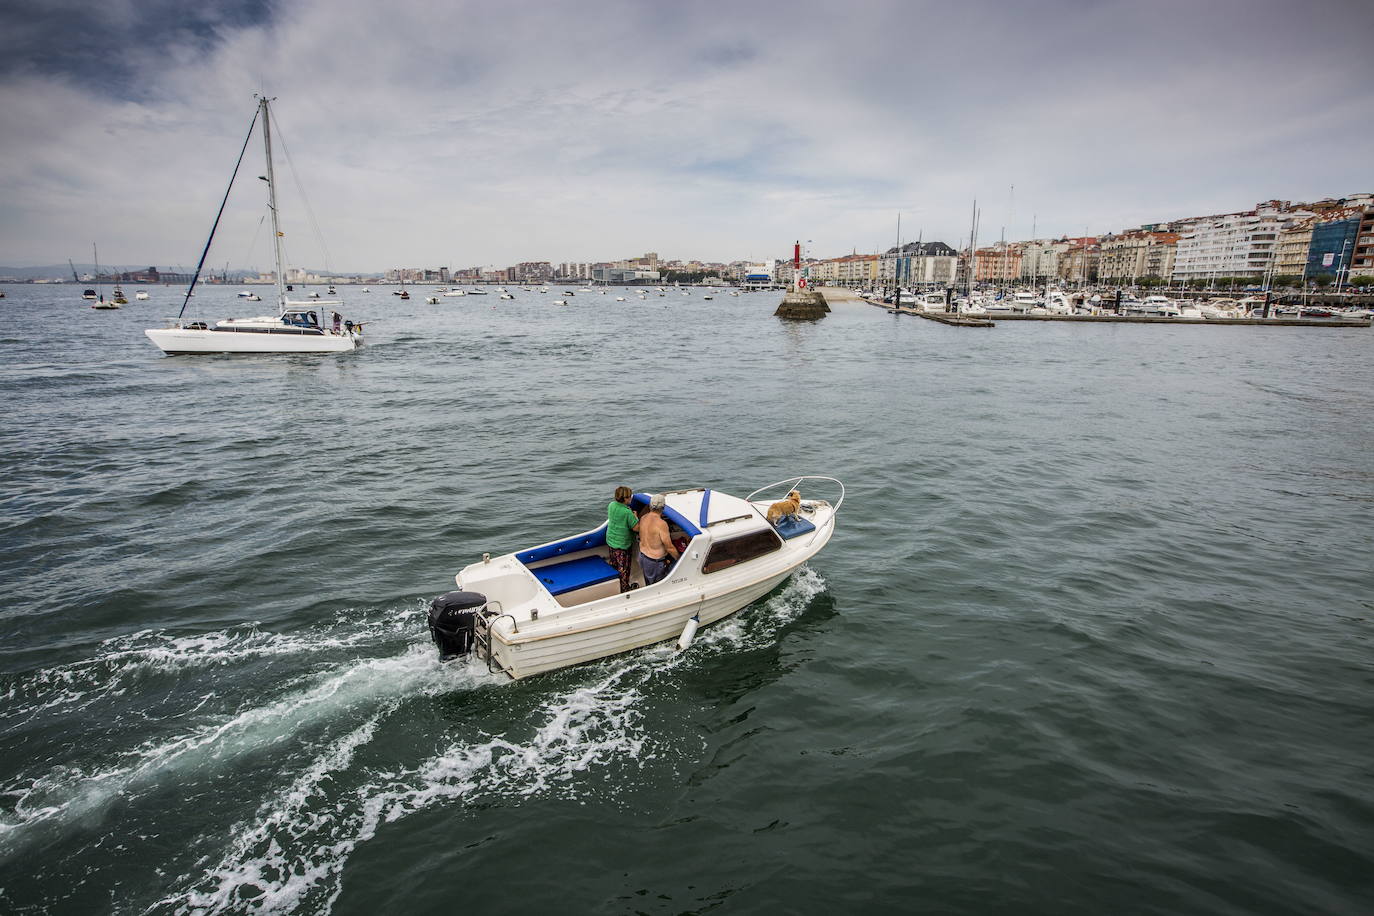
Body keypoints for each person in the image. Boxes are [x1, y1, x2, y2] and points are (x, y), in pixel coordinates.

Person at [637, 493, 680, 587]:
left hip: (642, 557)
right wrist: (679, 558)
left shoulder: (643, 518)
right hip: (654, 562)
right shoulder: (661, 524)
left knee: (648, 583)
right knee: (658, 587)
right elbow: (669, 547)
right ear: (663, 507)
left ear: (650, 506)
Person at [606, 485, 640, 592]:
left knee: (614, 565)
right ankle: (625, 590)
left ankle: (616, 586)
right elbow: (636, 528)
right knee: (624, 569)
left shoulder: (611, 505)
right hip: (622, 544)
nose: (631, 498)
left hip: (611, 540)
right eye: (629, 497)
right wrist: (635, 516)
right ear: (625, 499)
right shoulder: (627, 512)